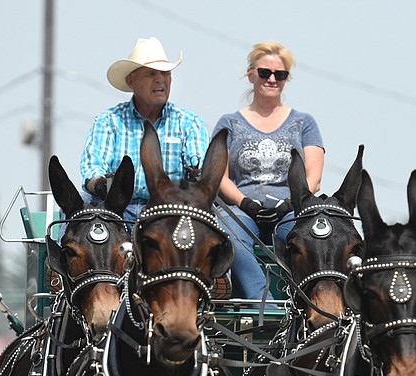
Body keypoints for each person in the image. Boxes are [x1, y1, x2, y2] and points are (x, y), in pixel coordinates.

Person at [212, 41, 325, 299]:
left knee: (315, 239)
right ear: (251, 74)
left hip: (290, 208)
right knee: (230, 236)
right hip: (242, 209)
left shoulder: (304, 122)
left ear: (286, 79)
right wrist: (246, 203)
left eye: (280, 74)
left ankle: (316, 302)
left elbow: (314, 177)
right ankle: (265, 302)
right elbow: (219, 176)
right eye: (265, 72)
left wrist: (289, 203)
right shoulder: (229, 122)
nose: (271, 79)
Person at [79, 37, 209, 225]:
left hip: (170, 211)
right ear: (131, 81)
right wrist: (100, 184)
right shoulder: (109, 121)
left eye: (165, 73)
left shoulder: (189, 123)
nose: (160, 80)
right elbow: (93, 167)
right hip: (116, 211)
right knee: (76, 212)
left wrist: (195, 179)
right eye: (151, 74)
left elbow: (200, 169)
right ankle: (57, 255)